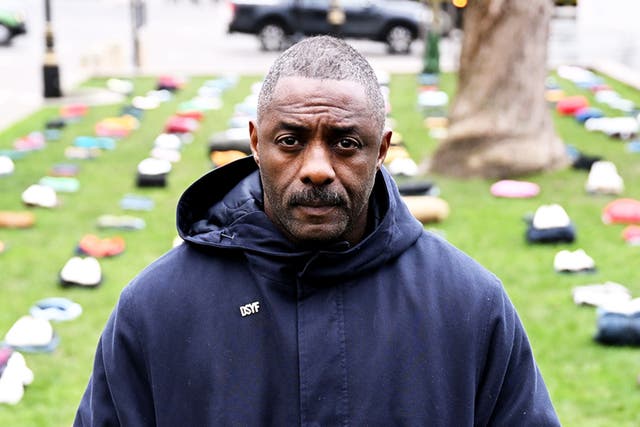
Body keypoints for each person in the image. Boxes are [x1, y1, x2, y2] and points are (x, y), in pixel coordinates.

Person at [74, 35, 561, 425]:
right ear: (255, 142)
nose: (317, 169)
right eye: (290, 141)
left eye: (346, 143)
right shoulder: (157, 308)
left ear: (382, 149)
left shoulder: (470, 306)